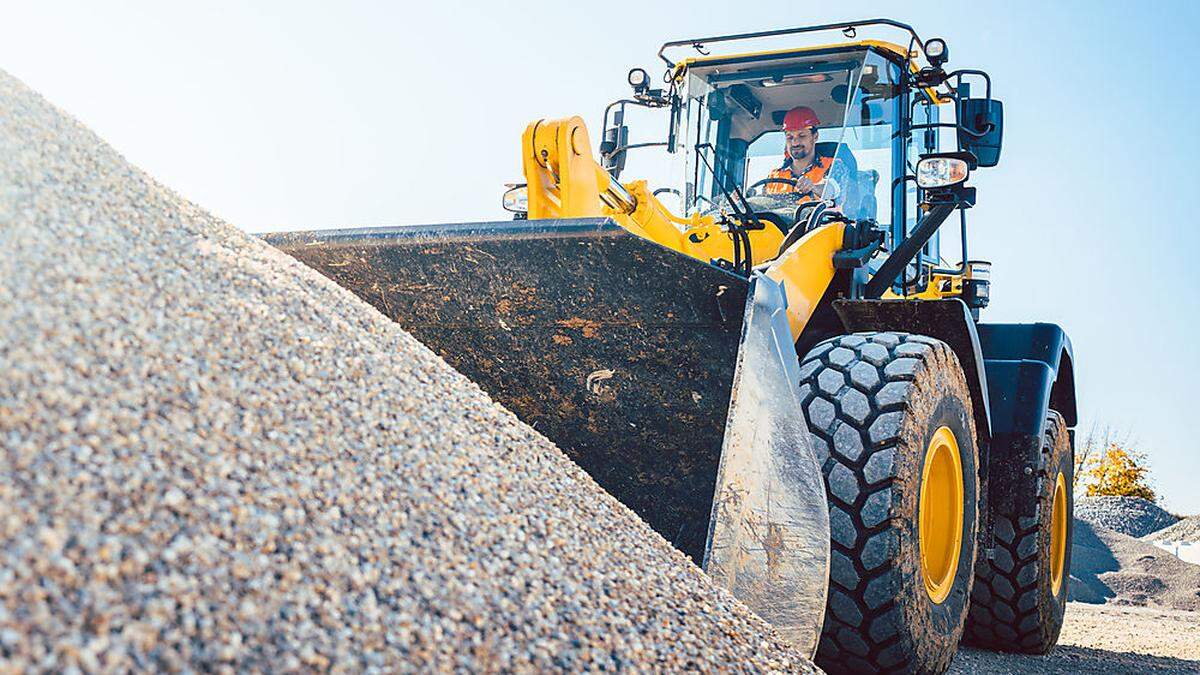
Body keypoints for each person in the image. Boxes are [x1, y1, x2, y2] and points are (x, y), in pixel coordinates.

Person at [764, 106, 844, 202]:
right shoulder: (774, 177)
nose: (795, 143)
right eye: (790, 137)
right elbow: (763, 205)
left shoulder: (833, 165)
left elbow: (833, 188)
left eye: (801, 136)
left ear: (815, 137)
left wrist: (814, 187)